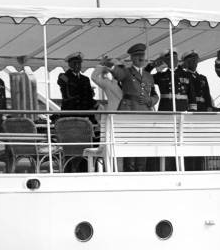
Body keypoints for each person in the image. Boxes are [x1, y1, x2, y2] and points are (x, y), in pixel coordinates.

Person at [108, 43, 158, 172]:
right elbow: (117, 74)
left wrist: (150, 100)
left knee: (143, 144)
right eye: (137, 56)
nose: (140, 58)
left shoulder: (149, 75)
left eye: (142, 55)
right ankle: (129, 173)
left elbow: (155, 95)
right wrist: (113, 64)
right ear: (132, 58)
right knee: (129, 144)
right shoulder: (127, 72)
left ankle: (141, 172)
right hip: (129, 111)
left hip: (144, 112)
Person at [57, 52, 98, 124]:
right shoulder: (63, 76)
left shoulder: (85, 79)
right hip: (70, 112)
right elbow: (70, 88)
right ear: (70, 64)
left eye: (79, 63)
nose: (77, 65)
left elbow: (88, 96)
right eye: (75, 63)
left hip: (85, 113)